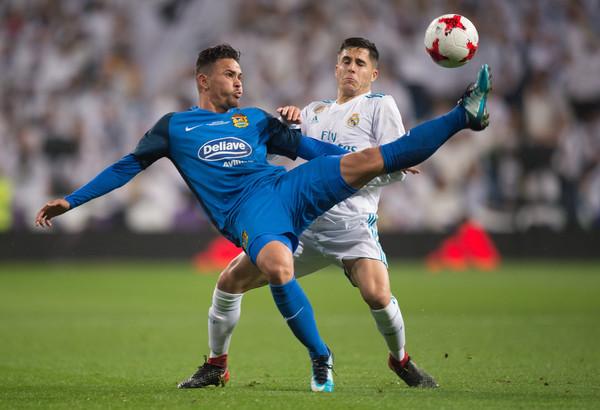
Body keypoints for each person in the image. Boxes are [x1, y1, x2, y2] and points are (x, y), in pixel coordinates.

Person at [35, 44, 491, 393]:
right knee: (267, 269)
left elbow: (308, 149)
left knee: (368, 160)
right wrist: (71, 201)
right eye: (230, 75)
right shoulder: (174, 128)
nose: (239, 82)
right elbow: (126, 166)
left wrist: (383, 160)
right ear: (203, 80)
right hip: (248, 211)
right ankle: (314, 355)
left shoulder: (253, 119)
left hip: (288, 187)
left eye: (241, 75)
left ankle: (461, 115)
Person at [190, 37, 439, 392]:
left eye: (360, 63)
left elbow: (397, 165)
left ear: (374, 73)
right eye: (346, 61)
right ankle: (216, 365)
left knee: (377, 295)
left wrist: (379, 162)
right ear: (336, 67)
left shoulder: (380, 105)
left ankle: (400, 359)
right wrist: (287, 123)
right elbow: (283, 152)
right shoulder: (312, 112)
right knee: (229, 282)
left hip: (352, 227)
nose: (352, 68)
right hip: (302, 227)